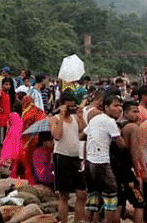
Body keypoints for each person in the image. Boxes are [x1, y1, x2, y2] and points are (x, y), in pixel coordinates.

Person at [84, 93, 125, 223]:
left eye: (120, 106)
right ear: (106, 107)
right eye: (116, 105)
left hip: (90, 162)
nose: (119, 109)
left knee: (93, 196)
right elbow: (120, 144)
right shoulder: (110, 121)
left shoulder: (95, 119)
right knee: (111, 197)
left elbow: (81, 136)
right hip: (102, 162)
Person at [50, 92, 87, 223]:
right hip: (62, 157)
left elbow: (84, 131)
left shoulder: (75, 118)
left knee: (82, 193)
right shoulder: (55, 119)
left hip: (76, 157)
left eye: (72, 106)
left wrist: (80, 116)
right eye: (68, 106)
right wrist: (61, 115)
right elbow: (57, 135)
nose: (70, 109)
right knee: (64, 194)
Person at [115, 100, 145, 223]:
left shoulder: (118, 126)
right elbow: (134, 151)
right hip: (127, 170)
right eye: (134, 112)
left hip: (116, 169)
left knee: (119, 202)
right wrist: (138, 172)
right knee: (139, 202)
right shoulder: (132, 127)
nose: (137, 114)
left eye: (138, 111)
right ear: (125, 113)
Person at [0, 78, 15, 149]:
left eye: (9, 85)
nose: (8, 86)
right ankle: (0, 150)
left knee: (5, 134)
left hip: (7, 116)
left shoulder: (8, 94)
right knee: (1, 135)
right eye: (6, 84)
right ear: (2, 85)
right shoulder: (1, 92)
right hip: (1, 117)